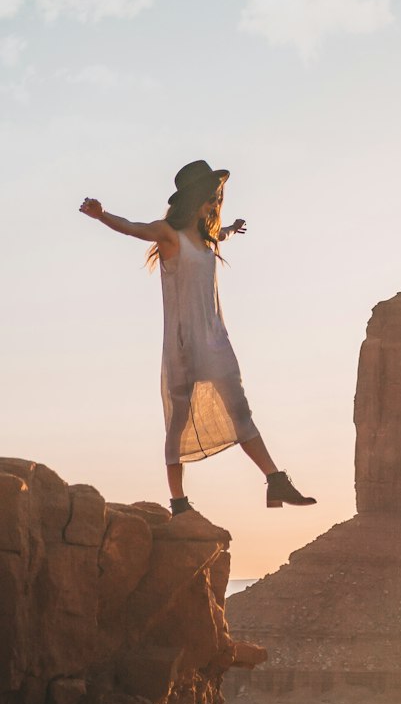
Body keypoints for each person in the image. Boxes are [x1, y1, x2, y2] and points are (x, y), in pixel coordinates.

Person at [79, 159, 316, 517]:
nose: (214, 206)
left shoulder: (207, 240)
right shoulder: (168, 235)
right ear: (194, 200)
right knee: (178, 422)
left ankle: (275, 479)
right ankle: (179, 503)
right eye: (210, 200)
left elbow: (221, 235)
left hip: (215, 339)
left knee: (240, 409)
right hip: (185, 345)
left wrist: (233, 228)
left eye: (217, 201)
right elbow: (133, 228)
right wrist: (102, 215)